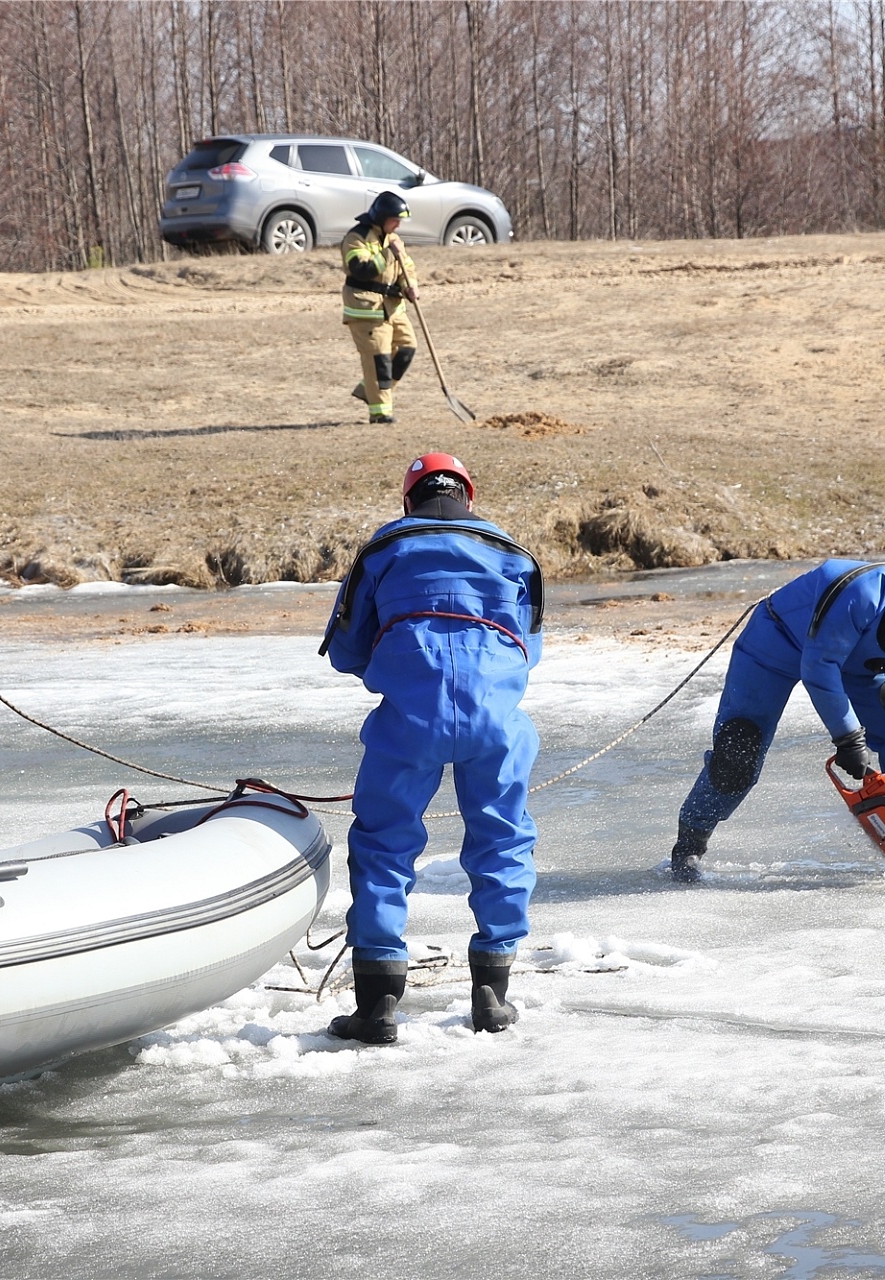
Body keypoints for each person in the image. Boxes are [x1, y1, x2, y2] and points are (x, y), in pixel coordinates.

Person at [320, 453, 544, 1042]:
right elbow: (530, 650)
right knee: (503, 841)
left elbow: (345, 651)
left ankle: (377, 1005)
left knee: (383, 848)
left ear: (408, 501)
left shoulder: (382, 550)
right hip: (496, 722)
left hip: (407, 720)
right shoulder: (515, 555)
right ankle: (492, 994)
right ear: (468, 498)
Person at [669, 561, 885, 881]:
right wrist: (848, 738)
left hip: (857, 665)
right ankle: (690, 845)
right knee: (738, 752)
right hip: (775, 644)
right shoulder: (865, 594)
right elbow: (819, 666)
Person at [341, 190, 420, 425]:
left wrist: (410, 287)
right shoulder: (357, 237)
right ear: (382, 217)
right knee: (379, 360)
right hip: (367, 309)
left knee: (407, 348)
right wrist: (387, 254)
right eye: (395, 220)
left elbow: (407, 268)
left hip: (393, 308)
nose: (398, 225)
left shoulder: (394, 240)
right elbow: (360, 269)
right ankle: (380, 413)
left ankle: (370, 388)